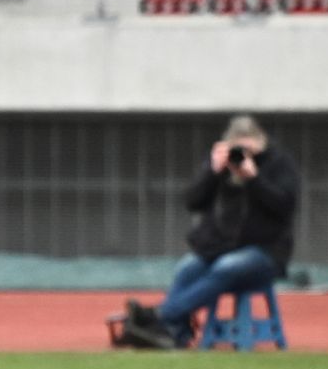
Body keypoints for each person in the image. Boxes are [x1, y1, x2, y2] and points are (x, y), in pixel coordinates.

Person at [120, 114, 299, 350]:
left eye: (248, 149)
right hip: (220, 246)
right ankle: (174, 333)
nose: (242, 157)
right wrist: (213, 172)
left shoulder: (279, 164)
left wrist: (254, 178)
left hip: (266, 252)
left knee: (227, 267)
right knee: (187, 267)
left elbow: (284, 206)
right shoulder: (223, 168)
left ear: (260, 142)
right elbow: (193, 201)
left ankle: (158, 316)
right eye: (238, 149)